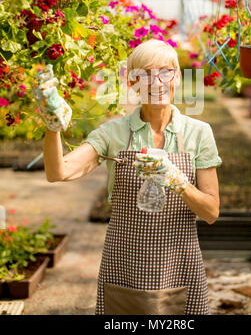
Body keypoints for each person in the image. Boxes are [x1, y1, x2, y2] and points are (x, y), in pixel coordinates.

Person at [35, 39, 222, 315]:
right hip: (124, 266)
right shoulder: (114, 133)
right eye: (144, 74)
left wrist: (177, 180)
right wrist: (53, 127)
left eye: (165, 72)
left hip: (180, 265)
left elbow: (211, 211)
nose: (156, 82)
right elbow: (57, 172)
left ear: (177, 77)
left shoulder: (199, 133)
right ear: (133, 83)